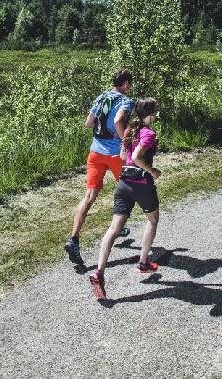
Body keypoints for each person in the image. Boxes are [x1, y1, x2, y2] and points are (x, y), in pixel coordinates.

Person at [89, 97, 161, 300]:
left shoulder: (130, 130)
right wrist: (152, 170)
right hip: (141, 184)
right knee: (152, 220)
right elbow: (137, 157)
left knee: (114, 229)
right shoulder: (148, 133)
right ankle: (143, 262)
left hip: (123, 184)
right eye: (155, 113)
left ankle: (99, 271)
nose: (156, 116)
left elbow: (122, 156)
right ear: (150, 114)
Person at [64, 68, 134, 265]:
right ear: (126, 84)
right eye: (130, 83)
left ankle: (74, 239)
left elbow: (89, 122)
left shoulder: (101, 97)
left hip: (95, 153)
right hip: (114, 155)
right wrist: (124, 140)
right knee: (128, 190)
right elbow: (119, 120)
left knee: (89, 196)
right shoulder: (126, 101)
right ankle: (117, 227)